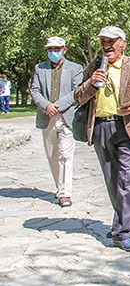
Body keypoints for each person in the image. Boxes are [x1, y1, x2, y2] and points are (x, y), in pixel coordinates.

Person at [75, 26, 130, 252]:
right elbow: (78, 96)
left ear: (122, 43)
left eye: (111, 41)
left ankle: (121, 233)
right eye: (103, 41)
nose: (106, 45)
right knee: (113, 182)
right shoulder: (95, 66)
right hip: (101, 127)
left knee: (126, 181)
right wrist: (92, 83)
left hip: (128, 128)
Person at [30, 36, 83, 207]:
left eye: (56, 49)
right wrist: (47, 106)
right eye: (50, 49)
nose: (53, 52)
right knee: (52, 155)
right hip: (48, 116)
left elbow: (77, 91)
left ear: (64, 50)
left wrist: (58, 106)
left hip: (66, 116)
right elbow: (35, 90)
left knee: (65, 155)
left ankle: (65, 193)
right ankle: (59, 187)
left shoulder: (75, 68)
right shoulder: (40, 68)